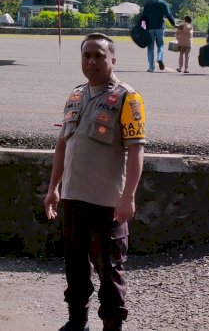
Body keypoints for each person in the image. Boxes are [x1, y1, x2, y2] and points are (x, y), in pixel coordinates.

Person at [43, 33, 146, 331]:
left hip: (107, 203)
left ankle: (112, 327)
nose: (92, 61)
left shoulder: (128, 98)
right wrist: (53, 188)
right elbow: (63, 143)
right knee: (75, 267)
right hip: (74, 198)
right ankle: (77, 323)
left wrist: (129, 196)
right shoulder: (76, 95)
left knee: (110, 270)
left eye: (99, 56)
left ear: (113, 59)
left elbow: (137, 149)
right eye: (86, 55)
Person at [138, 0, 176, 72]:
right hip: (160, 27)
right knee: (160, 45)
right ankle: (159, 58)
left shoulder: (147, 4)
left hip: (149, 28)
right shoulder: (163, 4)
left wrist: (141, 27)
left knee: (150, 47)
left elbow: (143, 17)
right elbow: (168, 15)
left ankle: (151, 68)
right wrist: (174, 24)